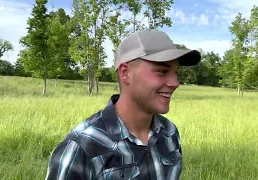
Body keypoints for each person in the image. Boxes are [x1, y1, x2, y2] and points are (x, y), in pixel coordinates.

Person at [45, 29, 201, 180]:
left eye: (176, 73)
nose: (175, 83)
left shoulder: (170, 133)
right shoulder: (81, 147)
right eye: (162, 71)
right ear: (125, 73)